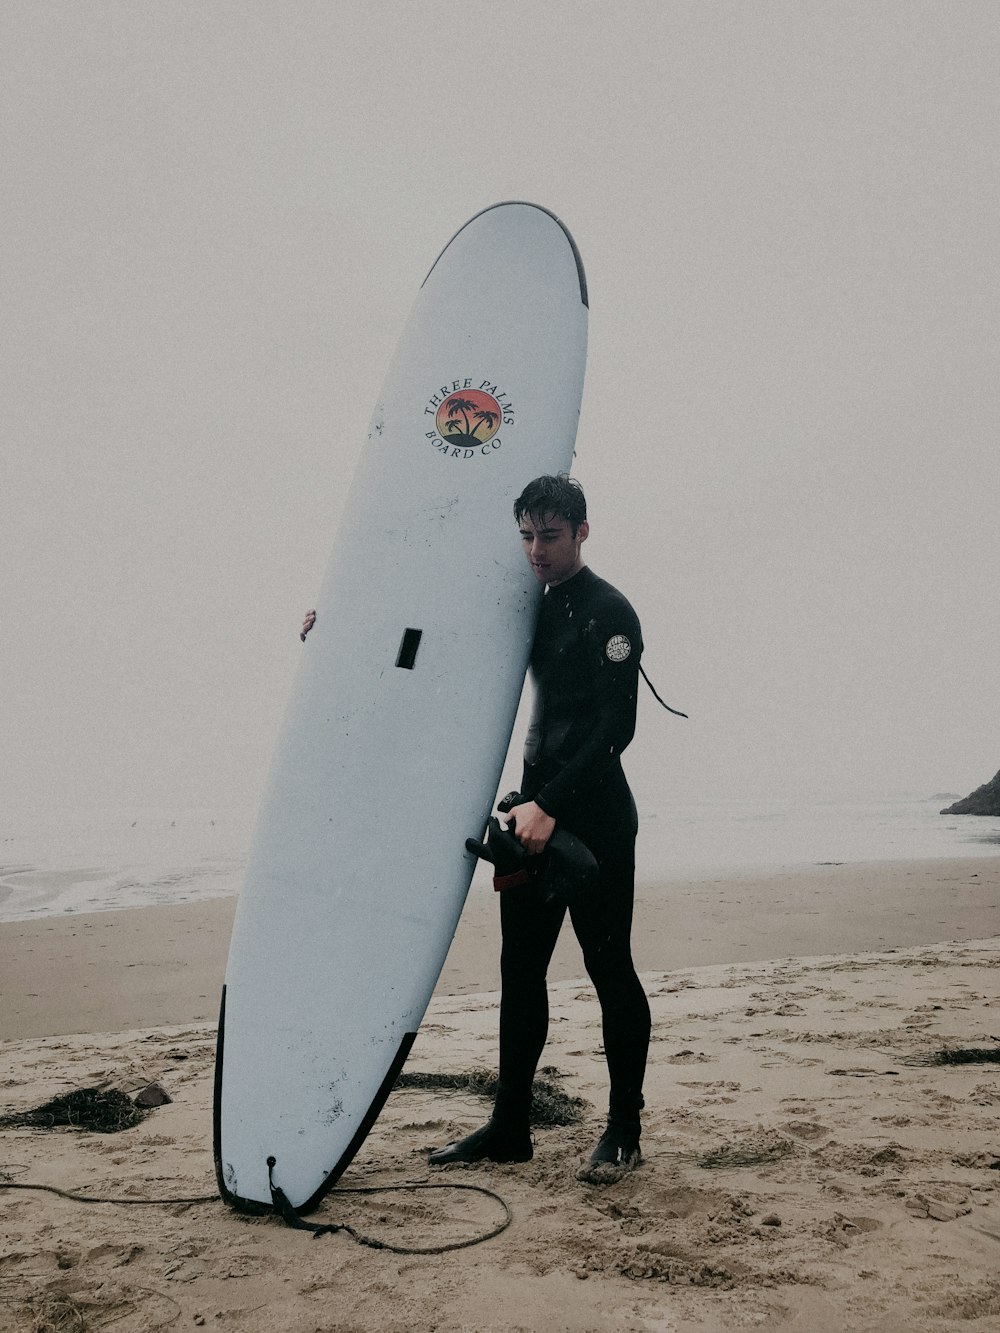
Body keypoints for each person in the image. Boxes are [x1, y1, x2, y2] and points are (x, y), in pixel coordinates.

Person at [426, 474, 652, 1180]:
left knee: (608, 968)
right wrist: (332, 623)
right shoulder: (530, 606)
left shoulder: (610, 612)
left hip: (594, 823)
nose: (535, 550)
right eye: (526, 535)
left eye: (549, 536)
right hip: (531, 819)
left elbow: (617, 726)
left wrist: (550, 801)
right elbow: (440, 639)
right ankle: (511, 1123)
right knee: (519, 970)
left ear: (582, 531)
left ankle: (623, 1129)